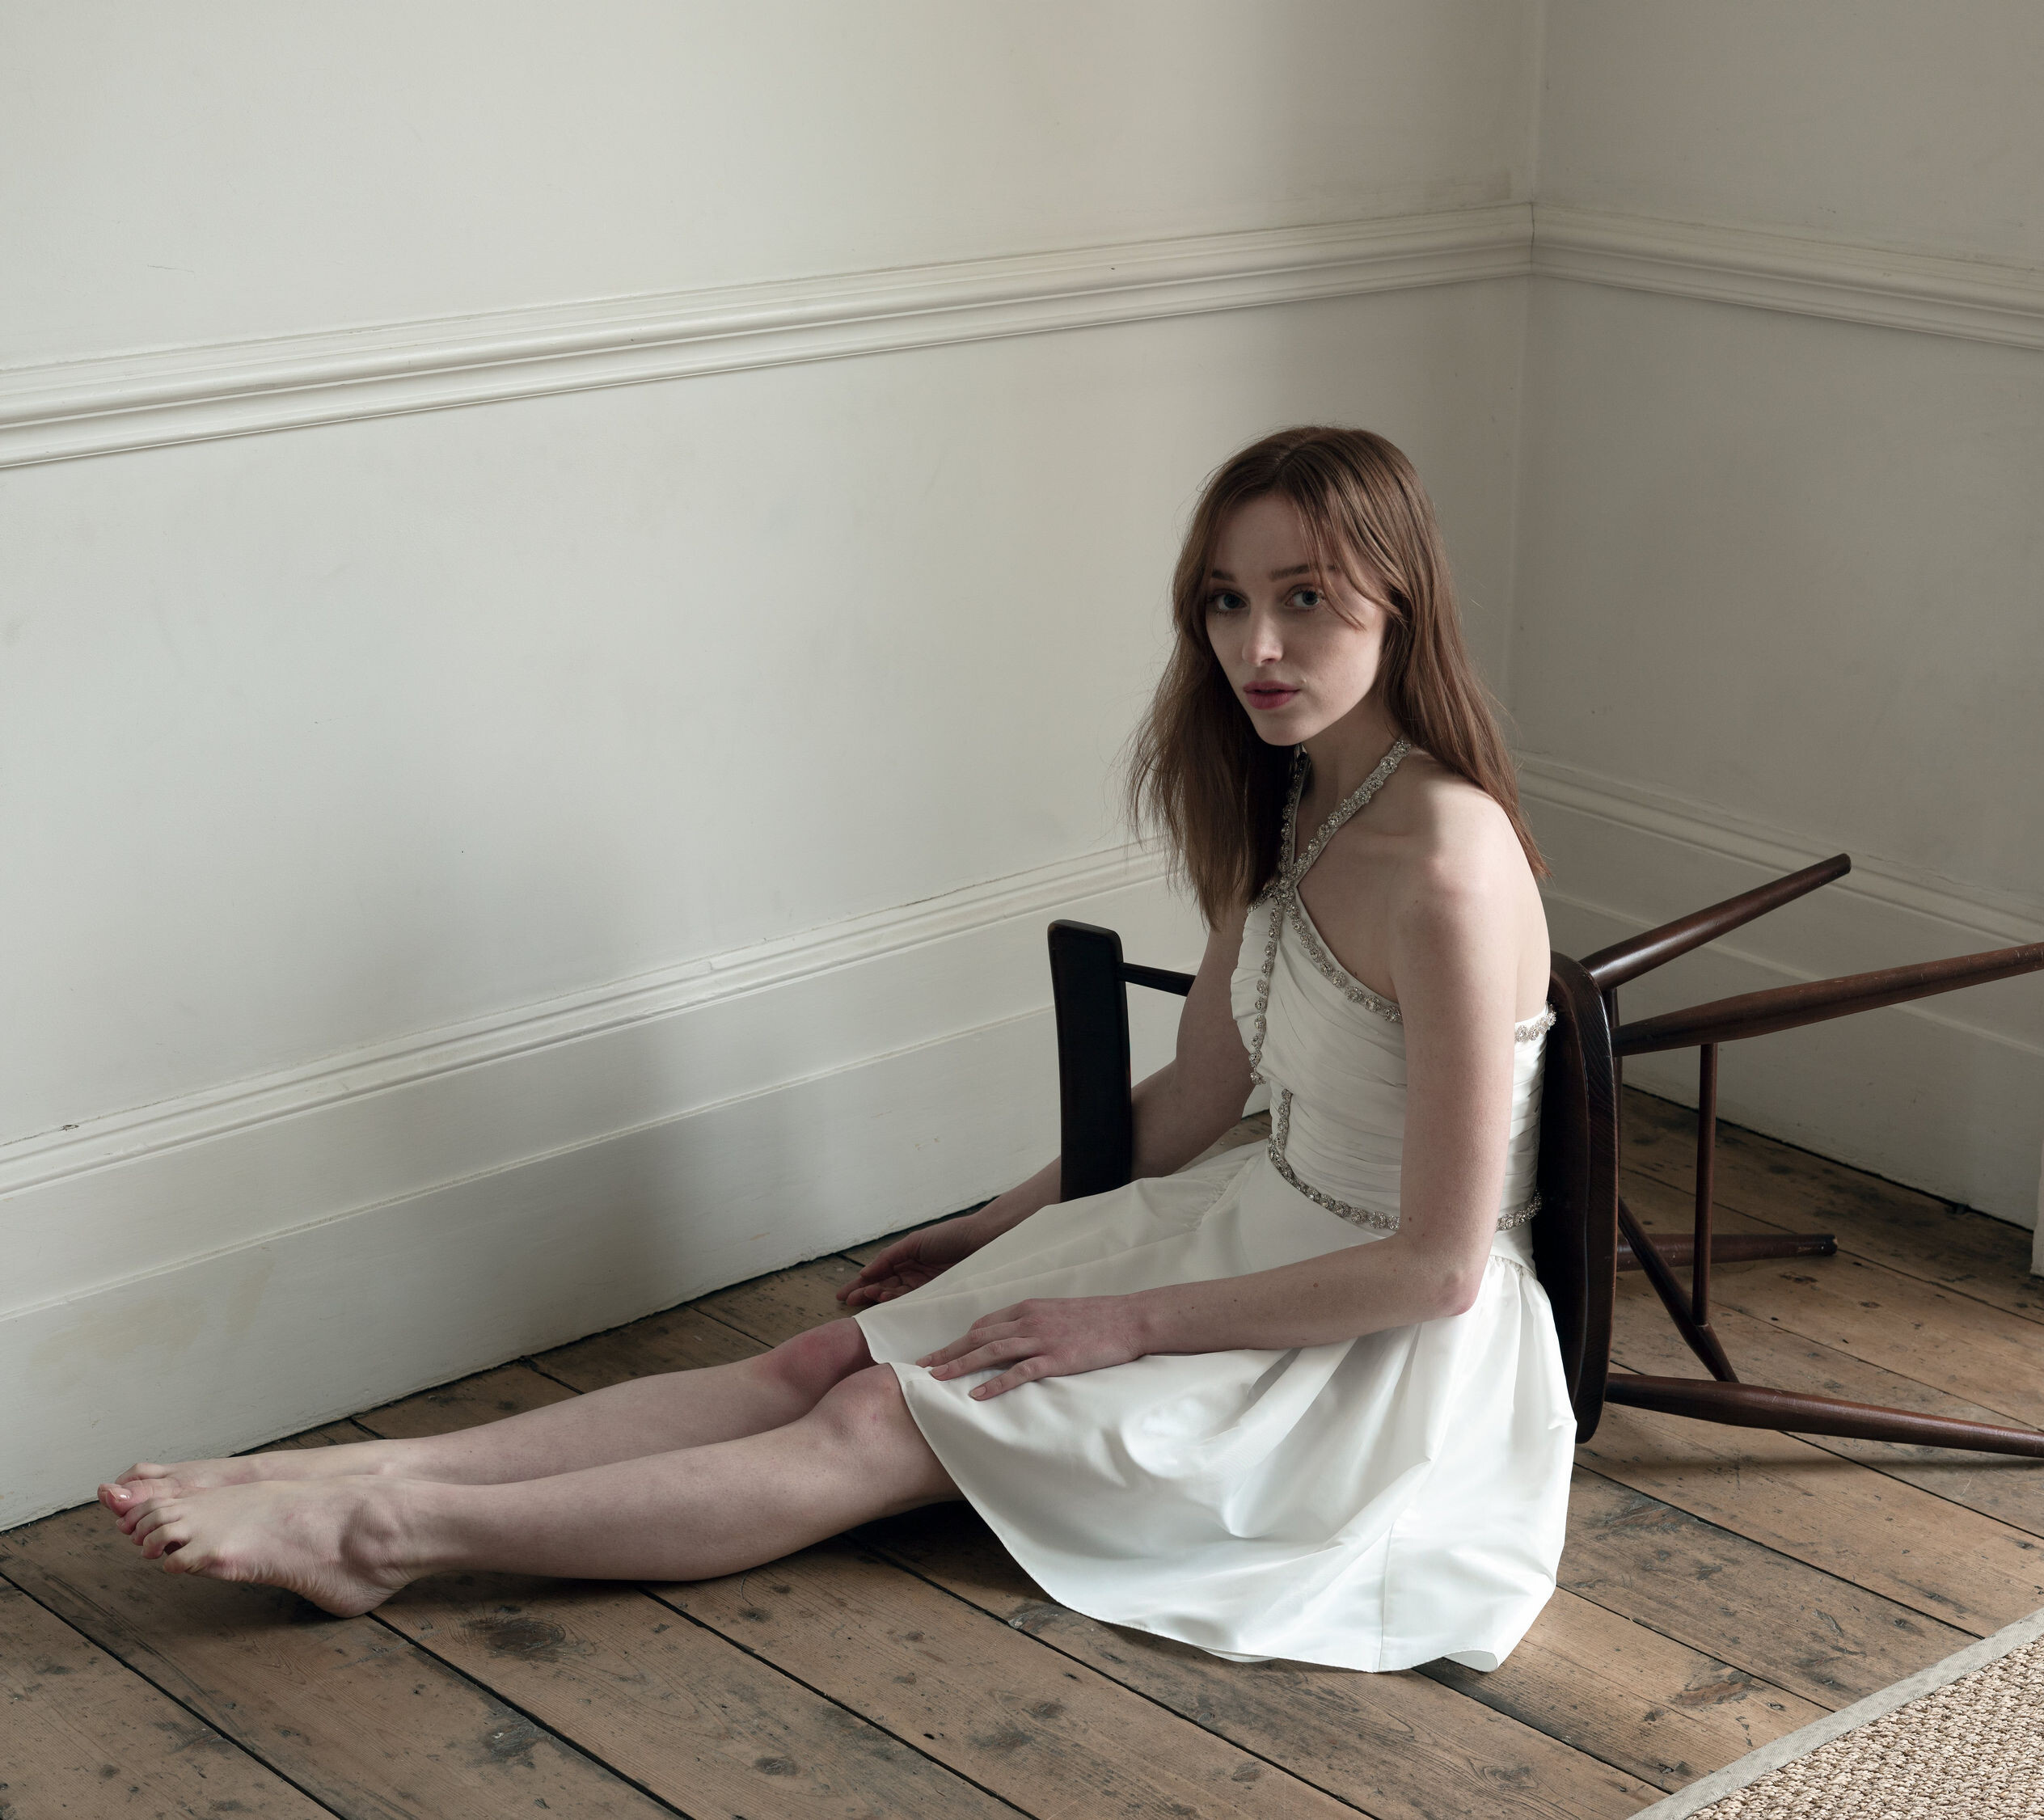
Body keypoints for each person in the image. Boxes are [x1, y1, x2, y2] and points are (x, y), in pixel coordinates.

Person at [97, 425, 1573, 1672]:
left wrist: (1118, 1323)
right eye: (1226, 602)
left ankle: (387, 1535)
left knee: (877, 1421)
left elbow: (1436, 1270)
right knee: (818, 1355)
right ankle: (354, 1469)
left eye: (1305, 599)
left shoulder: (1447, 866)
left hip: (1371, 1346)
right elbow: (1199, 1095)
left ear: (1398, 600)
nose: (1257, 646)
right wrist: (989, 1227)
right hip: (1246, 1226)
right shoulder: (1293, 799)